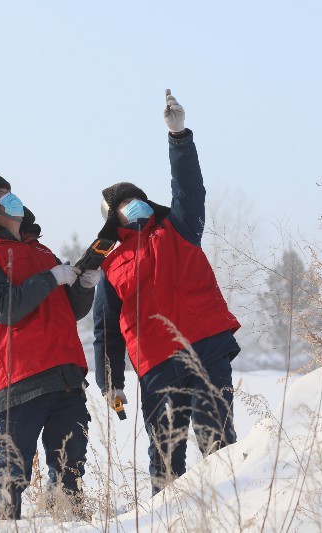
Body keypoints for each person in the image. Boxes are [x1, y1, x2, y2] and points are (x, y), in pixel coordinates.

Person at [93, 90, 242, 495]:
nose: (133, 205)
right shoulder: (109, 264)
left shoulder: (179, 227)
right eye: (123, 204)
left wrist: (178, 137)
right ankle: (167, 520)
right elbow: (105, 328)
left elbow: (189, 189)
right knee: (165, 458)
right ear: (112, 219)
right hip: (156, 364)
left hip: (207, 346)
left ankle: (231, 512)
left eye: (135, 198)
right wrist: (111, 382)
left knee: (218, 442)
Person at [0, 171, 103, 520]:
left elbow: (69, 310)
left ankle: (68, 521)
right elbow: (3, 307)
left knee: (70, 465)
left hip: (66, 374)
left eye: (12, 193)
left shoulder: (40, 250)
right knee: (13, 466)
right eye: (3, 195)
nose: (13, 199)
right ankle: (4, 525)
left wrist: (83, 286)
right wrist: (51, 277)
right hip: (21, 378)